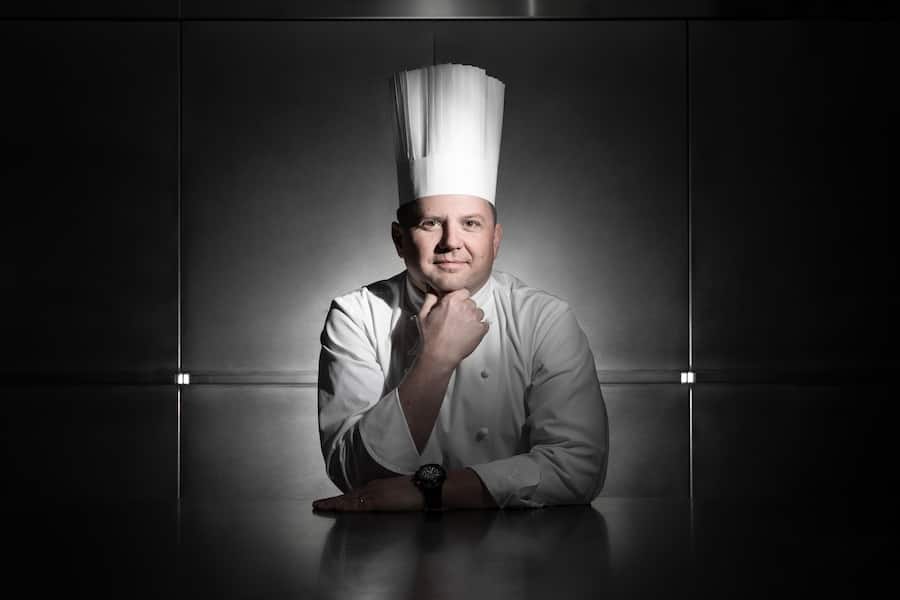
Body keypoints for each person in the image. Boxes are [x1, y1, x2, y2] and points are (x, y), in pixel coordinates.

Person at [313, 63, 608, 512]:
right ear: (398, 238)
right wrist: (436, 358)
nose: (452, 242)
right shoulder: (356, 314)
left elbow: (579, 466)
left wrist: (431, 492)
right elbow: (356, 474)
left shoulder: (545, 319)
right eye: (430, 222)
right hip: (384, 561)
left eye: (471, 224)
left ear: (495, 238)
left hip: (521, 562)